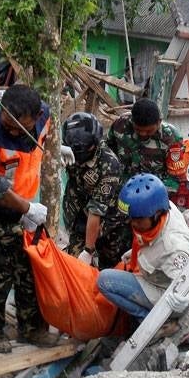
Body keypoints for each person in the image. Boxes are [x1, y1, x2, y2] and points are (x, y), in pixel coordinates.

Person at [0, 85, 51, 352]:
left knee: (29, 272)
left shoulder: (45, 118)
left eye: (19, 126)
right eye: (7, 124)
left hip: (27, 211)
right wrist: (25, 208)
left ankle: (32, 329)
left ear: (38, 115)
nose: (12, 131)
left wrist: (58, 148)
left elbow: (38, 150)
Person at [97, 174, 189, 324]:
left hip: (164, 294)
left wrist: (185, 299)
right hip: (155, 275)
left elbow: (187, 282)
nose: (133, 223)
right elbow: (150, 240)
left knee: (104, 281)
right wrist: (136, 251)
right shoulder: (161, 207)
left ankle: (149, 322)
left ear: (156, 215)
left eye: (138, 220)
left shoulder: (174, 247)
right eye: (131, 218)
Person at [60, 112, 126, 269]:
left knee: (110, 266)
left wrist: (88, 251)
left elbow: (96, 211)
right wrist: (55, 148)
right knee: (75, 267)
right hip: (77, 214)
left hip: (108, 221)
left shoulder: (109, 165)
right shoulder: (68, 150)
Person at [106, 98, 186, 193]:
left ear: (159, 122)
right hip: (122, 188)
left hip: (153, 192)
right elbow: (108, 151)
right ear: (132, 121)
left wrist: (155, 195)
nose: (143, 134)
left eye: (149, 131)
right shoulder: (120, 124)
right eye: (138, 130)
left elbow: (174, 178)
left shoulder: (171, 138)